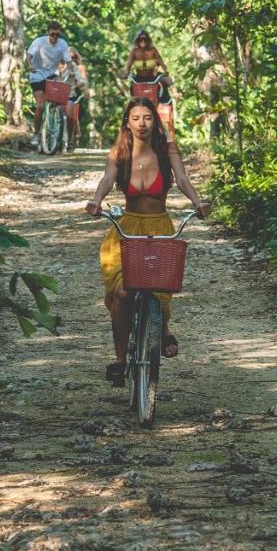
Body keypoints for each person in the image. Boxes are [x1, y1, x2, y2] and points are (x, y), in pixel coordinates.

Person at [85, 98, 209, 387]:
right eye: (136, 118)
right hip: (127, 228)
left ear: (156, 121)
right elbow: (107, 179)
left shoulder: (168, 150)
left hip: (159, 228)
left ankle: (162, 329)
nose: (142, 124)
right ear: (127, 122)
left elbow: (182, 180)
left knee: (159, 288)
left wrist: (198, 202)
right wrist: (96, 200)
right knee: (123, 293)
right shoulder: (120, 152)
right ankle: (119, 360)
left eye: (148, 118)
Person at [25, 21, 71, 150]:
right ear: (48, 33)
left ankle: (55, 127)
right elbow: (28, 56)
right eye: (52, 34)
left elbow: (68, 61)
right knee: (40, 105)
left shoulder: (62, 44)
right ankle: (36, 134)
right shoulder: (39, 42)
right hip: (37, 75)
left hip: (51, 75)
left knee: (57, 101)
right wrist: (30, 65)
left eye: (57, 34)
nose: (55, 37)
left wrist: (71, 71)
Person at [123, 29, 172, 103]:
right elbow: (128, 65)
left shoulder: (153, 50)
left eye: (145, 39)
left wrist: (165, 71)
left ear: (148, 40)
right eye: (141, 40)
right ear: (137, 41)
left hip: (152, 77)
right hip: (139, 78)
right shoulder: (134, 51)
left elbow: (160, 61)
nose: (143, 42)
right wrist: (126, 73)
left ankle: (168, 101)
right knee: (132, 93)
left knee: (168, 81)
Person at [58, 46, 89, 151]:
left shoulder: (74, 66)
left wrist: (80, 82)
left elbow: (81, 79)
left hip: (70, 94)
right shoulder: (54, 65)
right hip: (55, 94)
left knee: (71, 116)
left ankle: (71, 139)